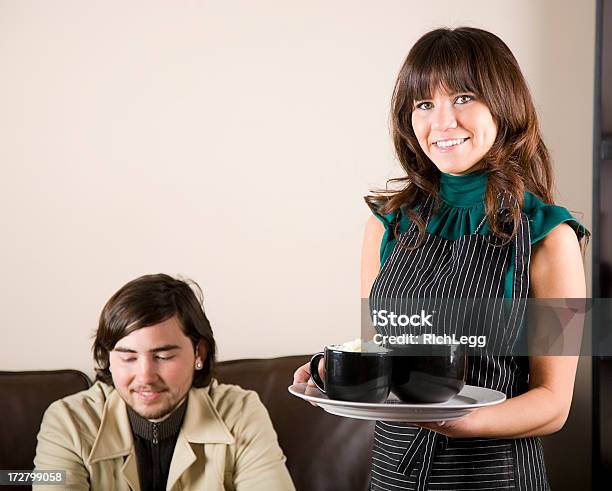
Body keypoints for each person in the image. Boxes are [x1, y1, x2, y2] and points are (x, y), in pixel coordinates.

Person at [294, 27, 588, 490]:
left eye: (463, 97)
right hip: (393, 473)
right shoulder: (386, 223)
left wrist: (457, 422)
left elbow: (553, 404)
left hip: (493, 478)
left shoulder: (552, 238)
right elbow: (381, 355)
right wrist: (330, 372)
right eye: (424, 105)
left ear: (504, 103)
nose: (442, 122)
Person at [34, 273, 295, 491]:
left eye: (163, 356)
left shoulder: (241, 413)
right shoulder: (67, 422)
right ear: (108, 359)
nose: (145, 376)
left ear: (199, 354)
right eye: (128, 358)